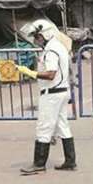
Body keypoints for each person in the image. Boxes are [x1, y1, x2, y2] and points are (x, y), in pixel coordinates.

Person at [18, 21, 76, 175]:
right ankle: (70, 161)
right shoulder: (59, 47)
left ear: (46, 34)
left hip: (52, 93)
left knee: (44, 127)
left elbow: (51, 74)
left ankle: (39, 163)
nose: (37, 39)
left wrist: (31, 73)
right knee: (63, 126)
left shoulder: (51, 50)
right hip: (62, 91)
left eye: (38, 36)